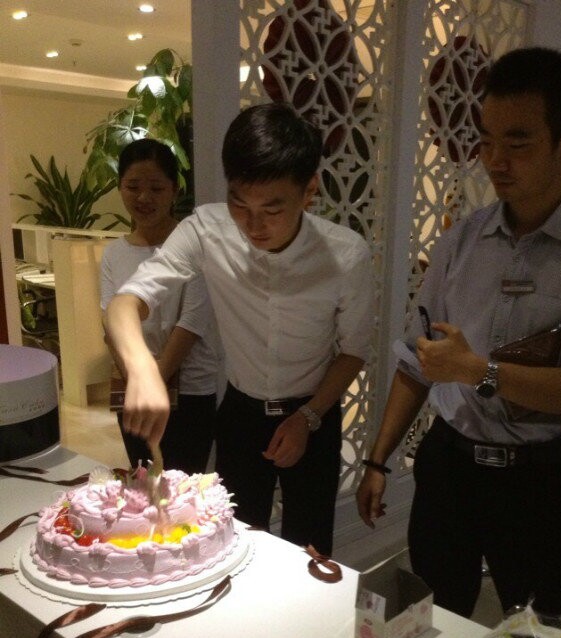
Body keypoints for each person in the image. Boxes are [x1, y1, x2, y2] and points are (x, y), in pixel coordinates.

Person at [356, 47, 561, 619]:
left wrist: (477, 370)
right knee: (431, 620)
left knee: (532, 634)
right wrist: (378, 460)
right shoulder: (461, 241)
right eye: (485, 141)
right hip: (449, 466)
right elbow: (417, 360)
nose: (494, 160)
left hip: (540, 479)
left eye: (518, 143)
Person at [105, 103, 374, 554]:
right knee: (234, 542)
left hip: (313, 412)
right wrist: (143, 369)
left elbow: (353, 350)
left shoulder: (346, 255)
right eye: (239, 204)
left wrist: (308, 418)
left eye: (272, 208)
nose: (253, 225)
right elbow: (124, 303)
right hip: (241, 413)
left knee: (310, 550)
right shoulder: (206, 229)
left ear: (309, 191)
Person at [100, 138, 219, 474]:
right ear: (120, 187)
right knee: (143, 482)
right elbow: (110, 321)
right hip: (134, 387)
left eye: (156, 188)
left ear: (174, 190)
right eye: (133, 187)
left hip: (190, 388)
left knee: (185, 486)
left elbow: (190, 323)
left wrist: (150, 381)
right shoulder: (113, 253)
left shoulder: (192, 245)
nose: (143, 198)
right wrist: (136, 380)